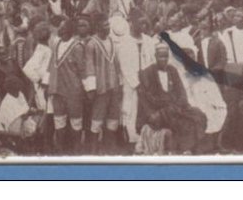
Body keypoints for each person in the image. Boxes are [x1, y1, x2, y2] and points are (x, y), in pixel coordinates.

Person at [137, 44, 207, 154]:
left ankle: (187, 149)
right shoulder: (147, 72)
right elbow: (145, 98)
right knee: (178, 122)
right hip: (158, 112)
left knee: (198, 115)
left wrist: (176, 106)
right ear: (155, 56)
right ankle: (181, 149)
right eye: (161, 57)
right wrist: (152, 114)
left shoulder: (172, 70)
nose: (164, 60)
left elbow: (182, 93)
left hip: (174, 108)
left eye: (166, 57)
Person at [47, 18, 89, 154]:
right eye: (59, 27)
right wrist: (48, 85)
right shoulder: (56, 43)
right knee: (59, 121)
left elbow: (83, 70)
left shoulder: (77, 47)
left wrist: (88, 90)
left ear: (70, 30)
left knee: (76, 122)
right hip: (57, 90)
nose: (60, 30)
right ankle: (61, 150)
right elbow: (50, 66)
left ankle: (76, 151)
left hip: (73, 91)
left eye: (62, 27)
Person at [115, 15, 156, 145]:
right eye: (138, 23)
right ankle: (131, 139)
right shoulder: (124, 43)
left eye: (143, 23)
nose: (141, 26)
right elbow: (124, 66)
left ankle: (147, 139)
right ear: (131, 23)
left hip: (148, 82)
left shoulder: (149, 41)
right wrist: (137, 84)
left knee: (147, 109)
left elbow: (152, 61)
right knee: (130, 110)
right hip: (131, 84)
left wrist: (149, 81)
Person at [84, 15, 122, 154]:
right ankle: (93, 150)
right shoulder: (92, 44)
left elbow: (116, 64)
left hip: (113, 87)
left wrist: (120, 83)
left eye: (108, 25)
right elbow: (89, 67)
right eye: (104, 25)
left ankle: (109, 147)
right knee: (97, 118)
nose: (107, 27)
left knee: (113, 117)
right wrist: (91, 89)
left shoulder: (111, 41)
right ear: (98, 27)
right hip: (100, 88)